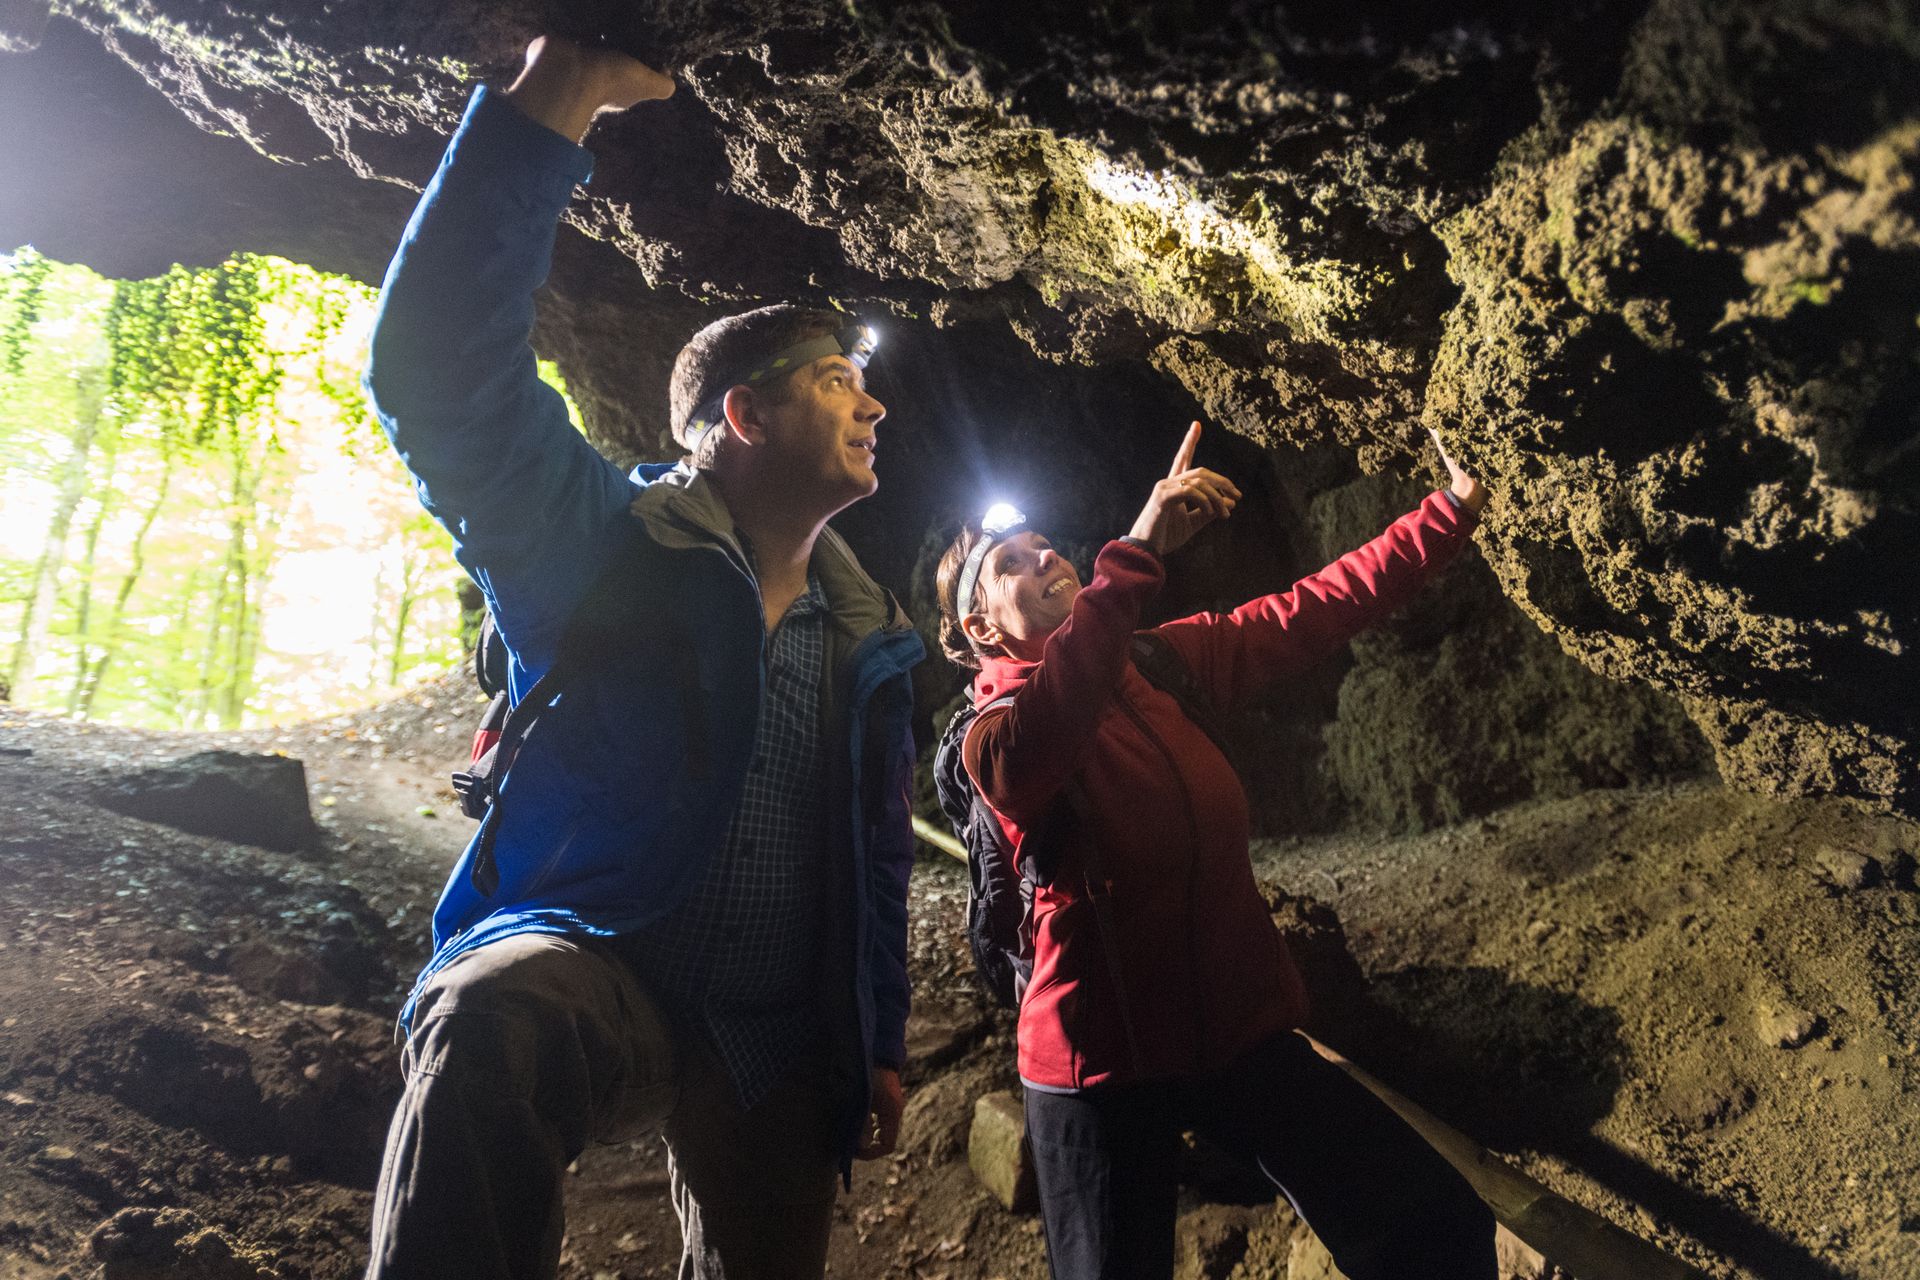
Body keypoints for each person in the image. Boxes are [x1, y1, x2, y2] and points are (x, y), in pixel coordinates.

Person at [360, 36, 924, 1280]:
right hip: (599, 958)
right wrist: (555, 98)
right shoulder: (602, 542)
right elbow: (439, 374)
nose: (874, 405)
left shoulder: (872, 635)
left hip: (772, 1030)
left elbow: (876, 852)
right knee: (492, 1016)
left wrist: (877, 1034)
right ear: (745, 414)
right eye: (839, 380)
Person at [935, 422, 1499, 1279]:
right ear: (980, 624)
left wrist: (1450, 512)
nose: (1044, 557)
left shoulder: (1157, 666)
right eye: (1011, 562)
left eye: (1045, 544)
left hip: (1234, 1031)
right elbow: (1054, 721)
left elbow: (1313, 608)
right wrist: (1135, 552)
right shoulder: (993, 738)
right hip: (1097, 1070)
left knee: (1433, 1226)